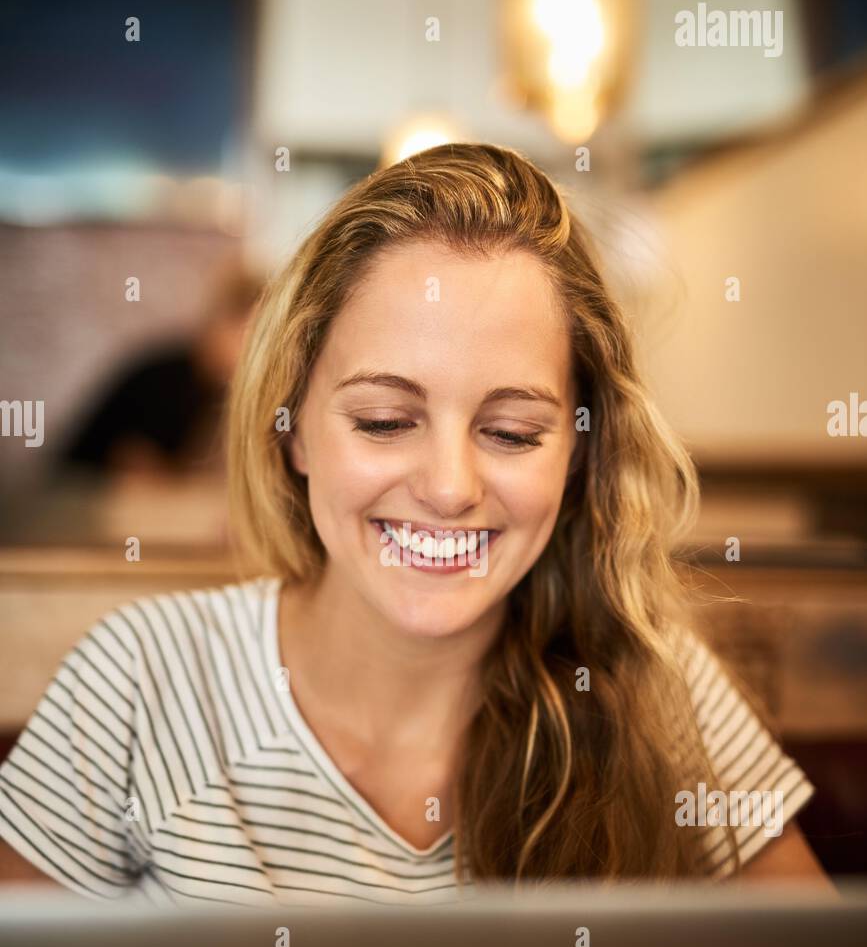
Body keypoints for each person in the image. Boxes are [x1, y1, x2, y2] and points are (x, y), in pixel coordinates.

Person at [0, 144, 831, 903]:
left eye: (510, 433)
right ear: (290, 430)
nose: (447, 488)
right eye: (385, 421)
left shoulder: (654, 689)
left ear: (579, 452)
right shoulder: (139, 684)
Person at [55, 264, 265, 479]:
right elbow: (133, 460)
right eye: (248, 334)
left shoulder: (217, 387)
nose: (254, 351)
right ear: (221, 322)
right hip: (82, 493)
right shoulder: (165, 378)